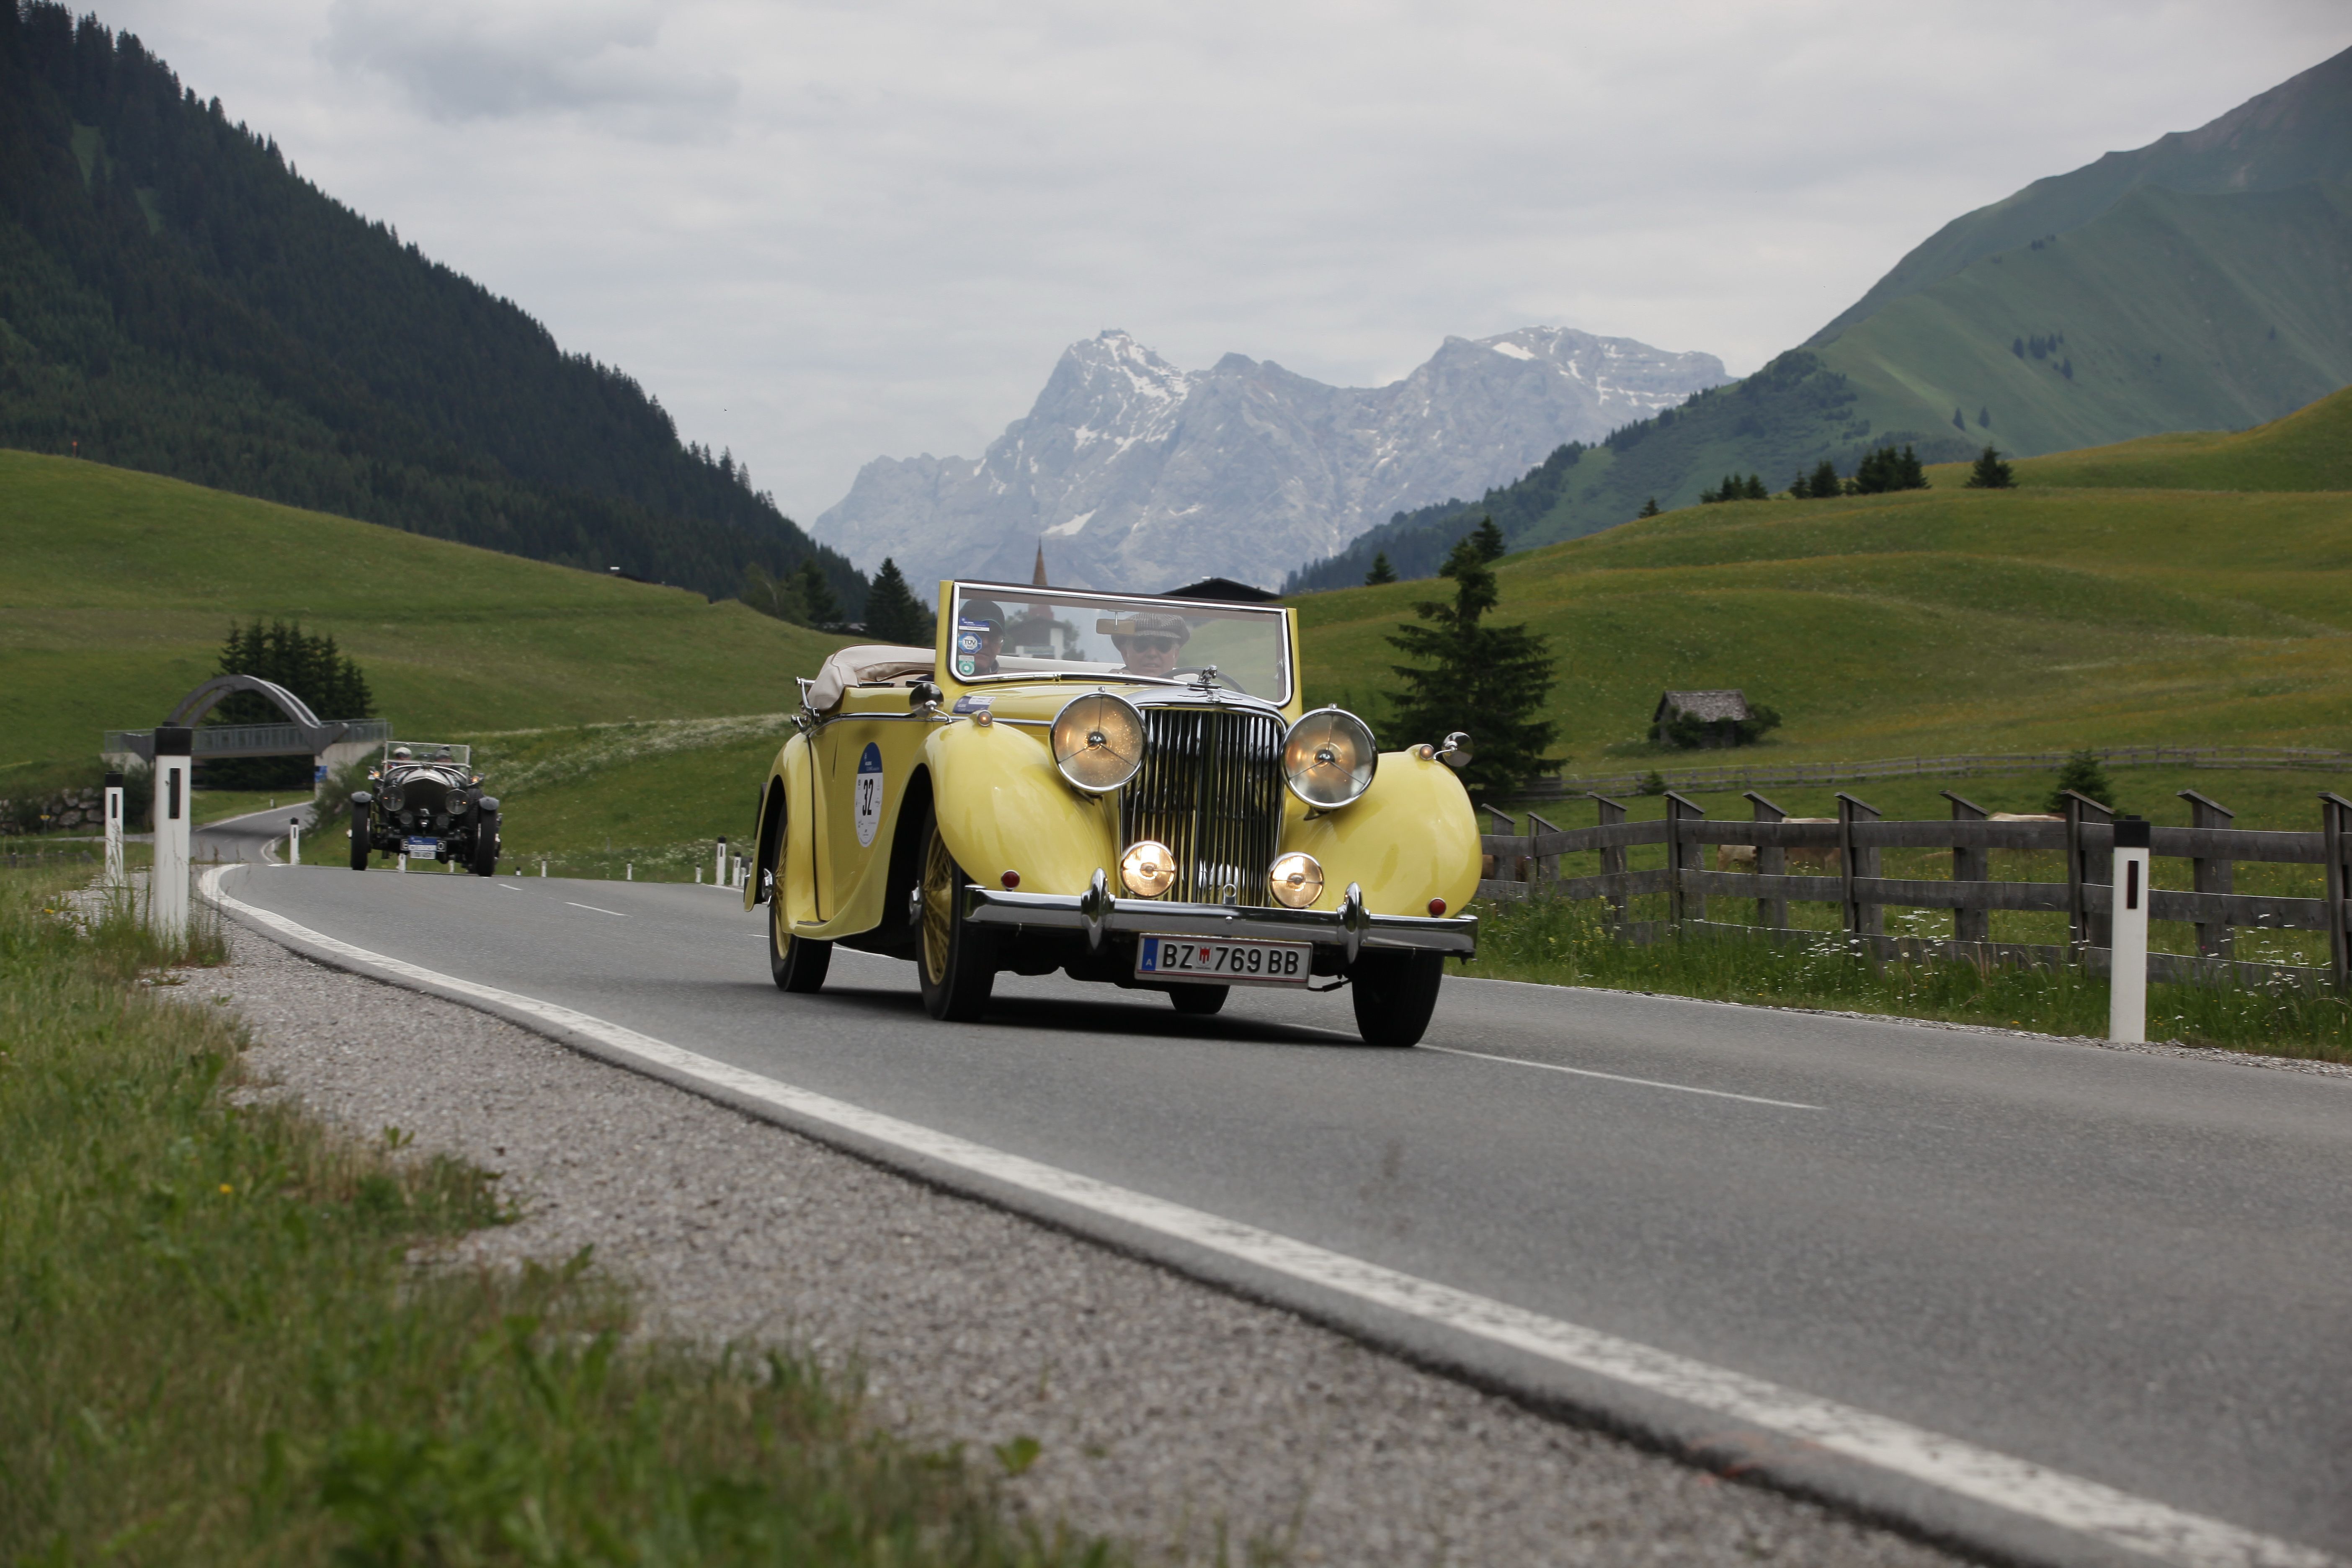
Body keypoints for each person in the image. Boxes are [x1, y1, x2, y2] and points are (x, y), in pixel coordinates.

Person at [1113, 614, 1190, 677]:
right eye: (1142, 644)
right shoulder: (1108, 691)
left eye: (1163, 645)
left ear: (1176, 655)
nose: (1152, 654)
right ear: (1125, 654)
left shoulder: (1187, 693)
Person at [953, 599, 1005, 678]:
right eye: (977, 634)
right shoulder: (934, 686)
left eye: (993, 637)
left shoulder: (1006, 688)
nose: (985, 642)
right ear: (958, 637)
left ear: (1000, 646)